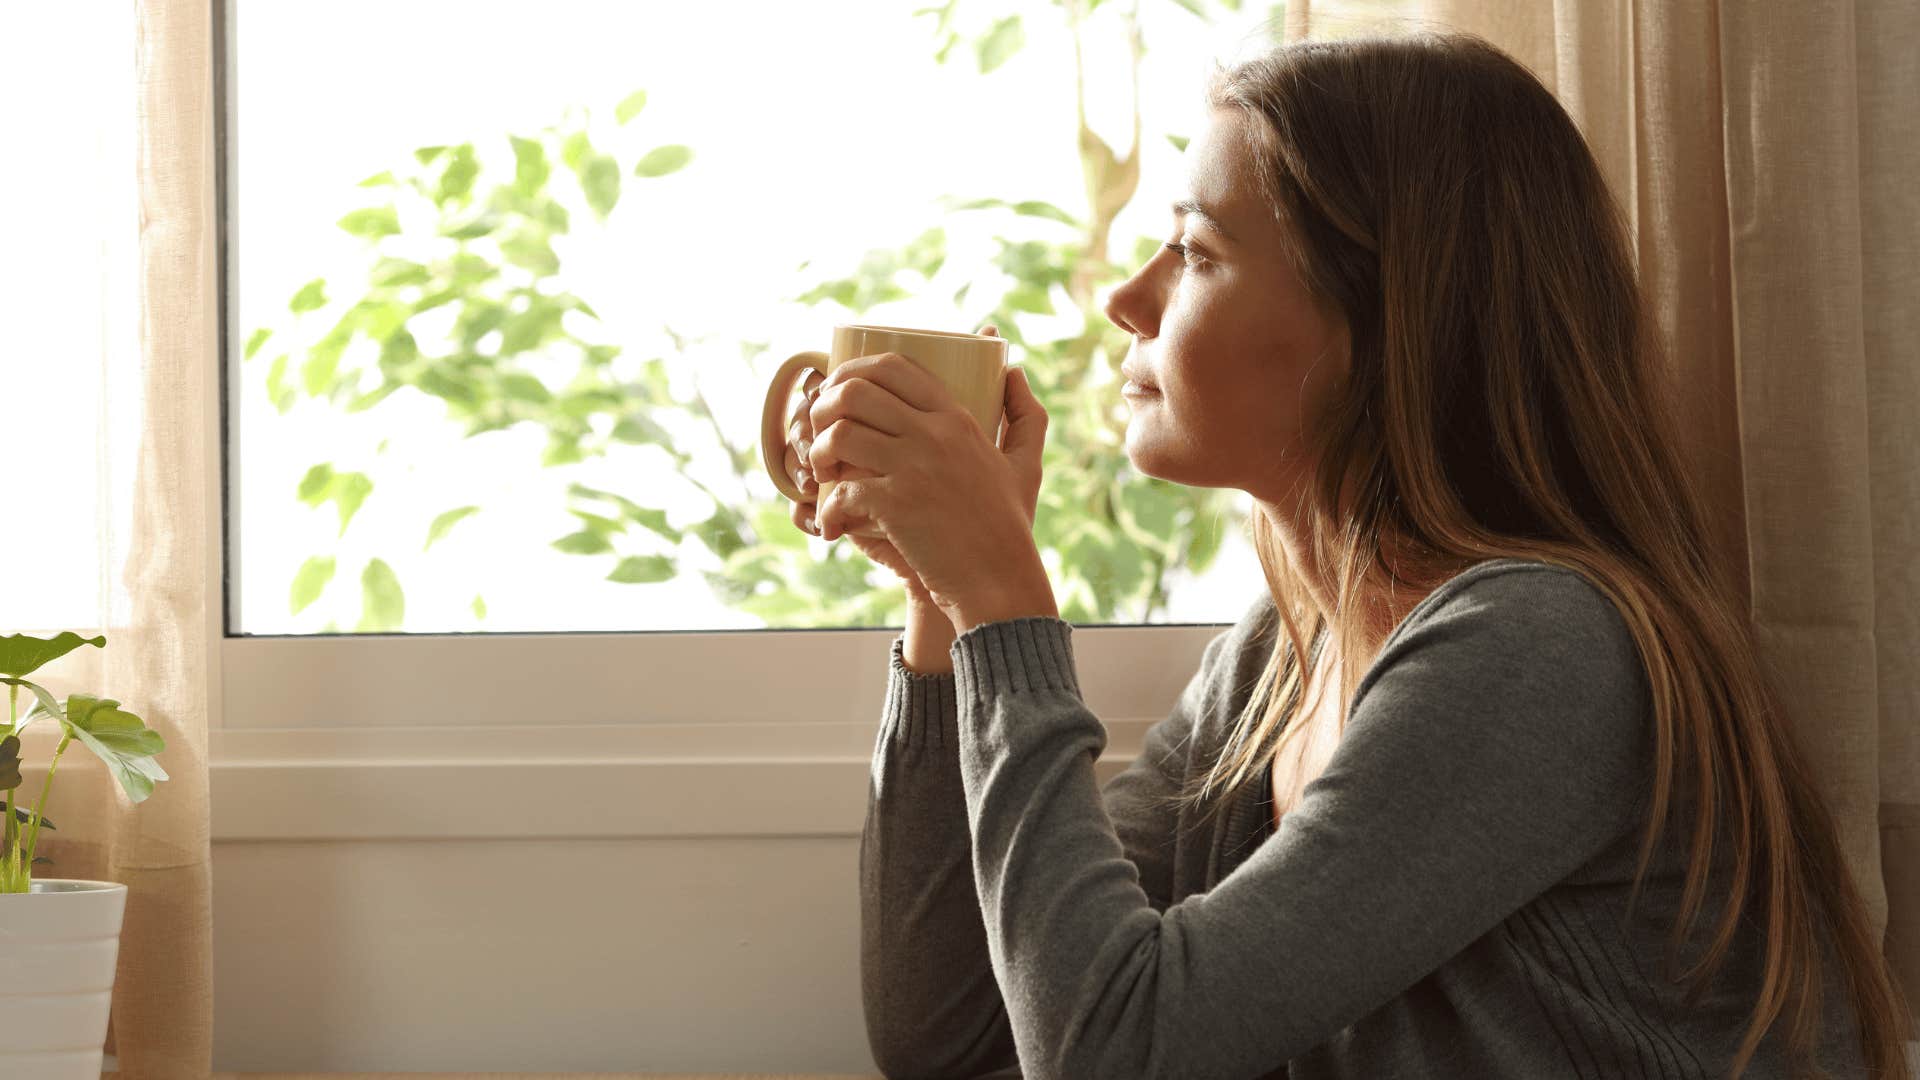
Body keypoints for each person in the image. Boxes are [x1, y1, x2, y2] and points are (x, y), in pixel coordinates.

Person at [780, 30, 1912, 1079]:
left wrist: (1000, 602)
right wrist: (941, 601)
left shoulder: (1541, 647)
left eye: (1194, 252)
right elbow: (946, 1029)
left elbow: (1116, 1052)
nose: (1128, 299)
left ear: (1381, 327)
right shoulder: (1282, 657)